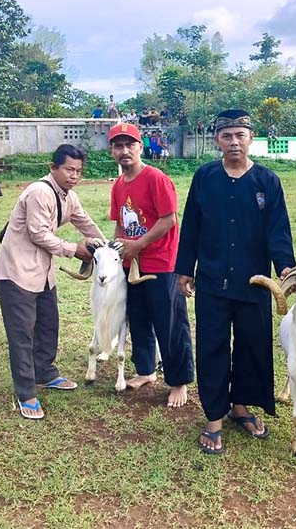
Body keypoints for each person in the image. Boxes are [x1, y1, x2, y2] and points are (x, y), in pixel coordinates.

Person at [176, 109, 296, 455]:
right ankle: (214, 417)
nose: (233, 142)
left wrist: (285, 269)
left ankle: (240, 406)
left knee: (251, 344)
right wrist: (185, 269)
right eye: (226, 136)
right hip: (212, 280)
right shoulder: (205, 177)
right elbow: (192, 225)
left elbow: (278, 230)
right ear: (217, 140)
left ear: (250, 138)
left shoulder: (267, 181)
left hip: (253, 280)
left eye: (239, 135)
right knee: (211, 346)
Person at [0, 145, 105, 419]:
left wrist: (107, 249)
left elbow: (86, 224)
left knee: (48, 325)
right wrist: (74, 249)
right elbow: (38, 234)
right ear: (53, 167)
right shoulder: (39, 192)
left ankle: (44, 373)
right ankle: (26, 393)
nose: (74, 176)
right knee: (22, 335)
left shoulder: (69, 197)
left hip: (42, 273)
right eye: (69, 169)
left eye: (78, 171)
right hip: (17, 273)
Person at [107, 123, 194, 407]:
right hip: (131, 264)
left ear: (140, 147)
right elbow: (120, 223)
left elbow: (169, 219)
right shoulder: (119, 184)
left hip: (161, 263)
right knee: (138, 318)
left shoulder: (156, 178)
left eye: (129, 144)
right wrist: (117, 252)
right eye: (118, 146)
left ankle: (178, 381)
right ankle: (146, 370)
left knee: (169, 322)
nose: (124, 151)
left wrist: (140, 244)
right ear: (112, 151)